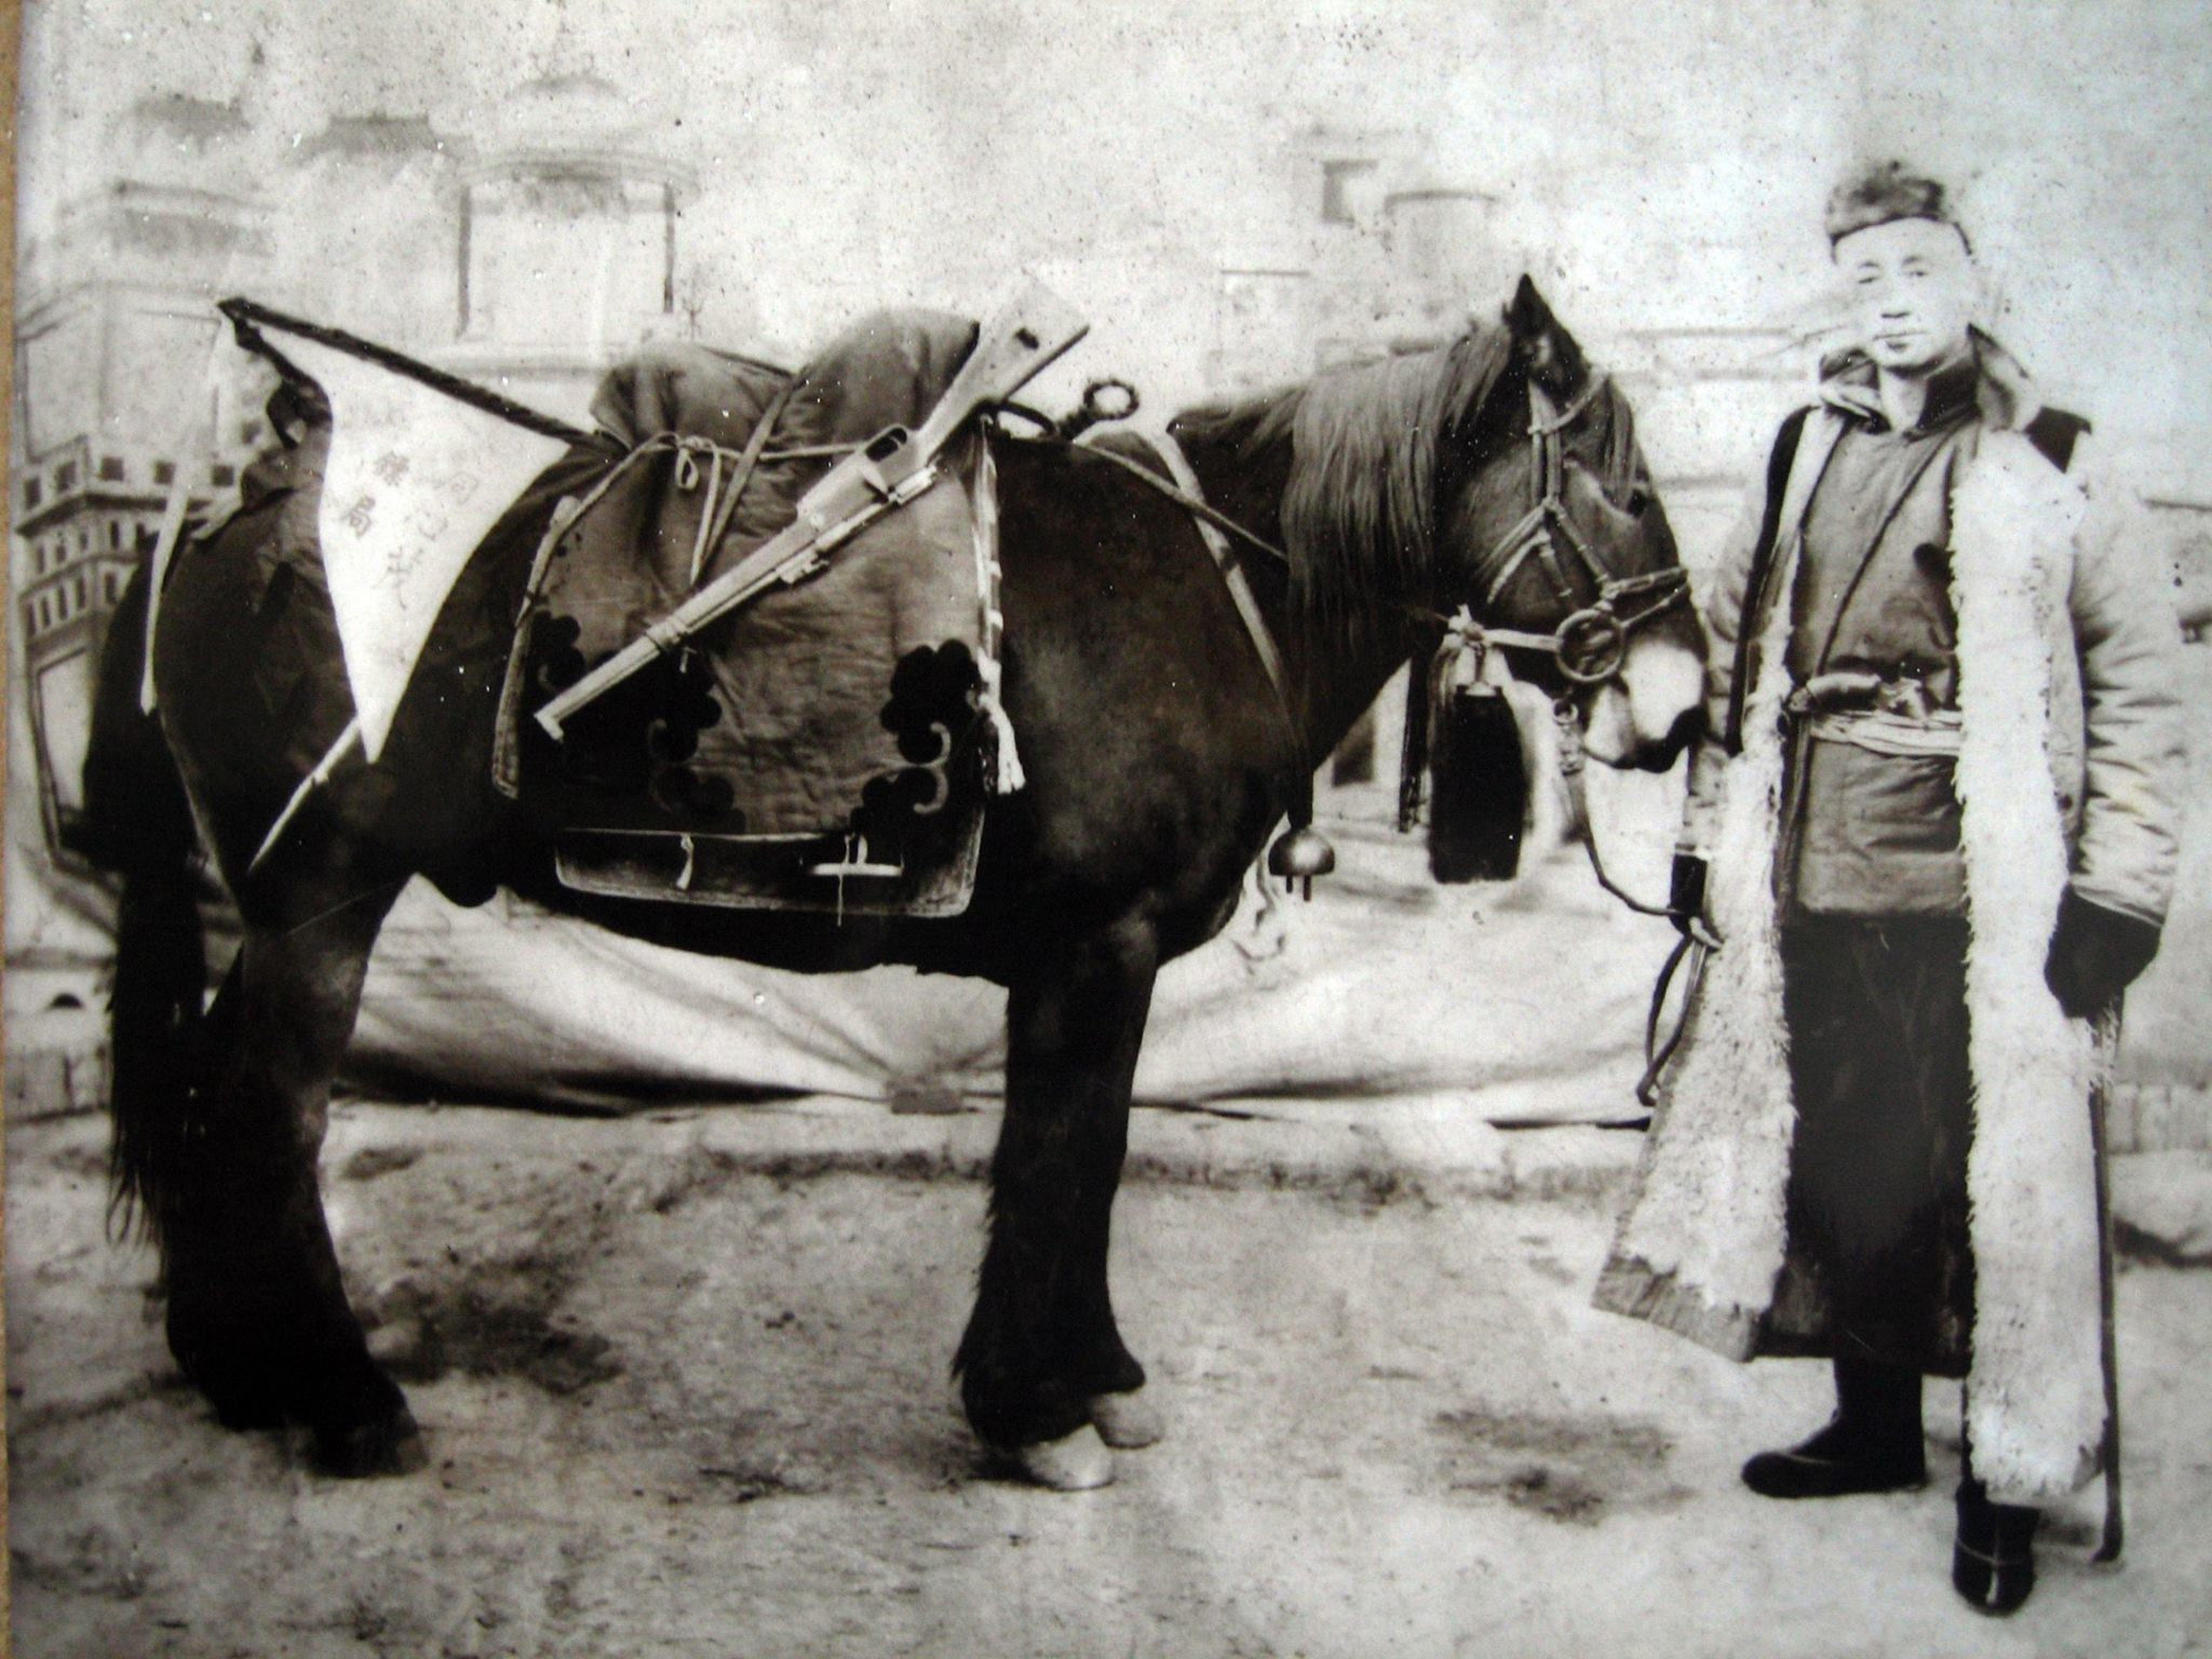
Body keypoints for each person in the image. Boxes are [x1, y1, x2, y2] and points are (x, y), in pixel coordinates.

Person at [1594, 160, 2184, 1616]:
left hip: (1994, 891)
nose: (1893, 302)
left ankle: (2003, 1475)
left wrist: (2118, 898)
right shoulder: (1802, 450)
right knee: (1848, 1156)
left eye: (1920, 271)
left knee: (1991, 1179)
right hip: (1814, 869)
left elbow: (2141, 695)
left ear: (1977, 286)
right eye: (1864, 277)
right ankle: (1870, 1431)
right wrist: (1698, 832)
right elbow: (1733, 661)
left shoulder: (2055, 456)